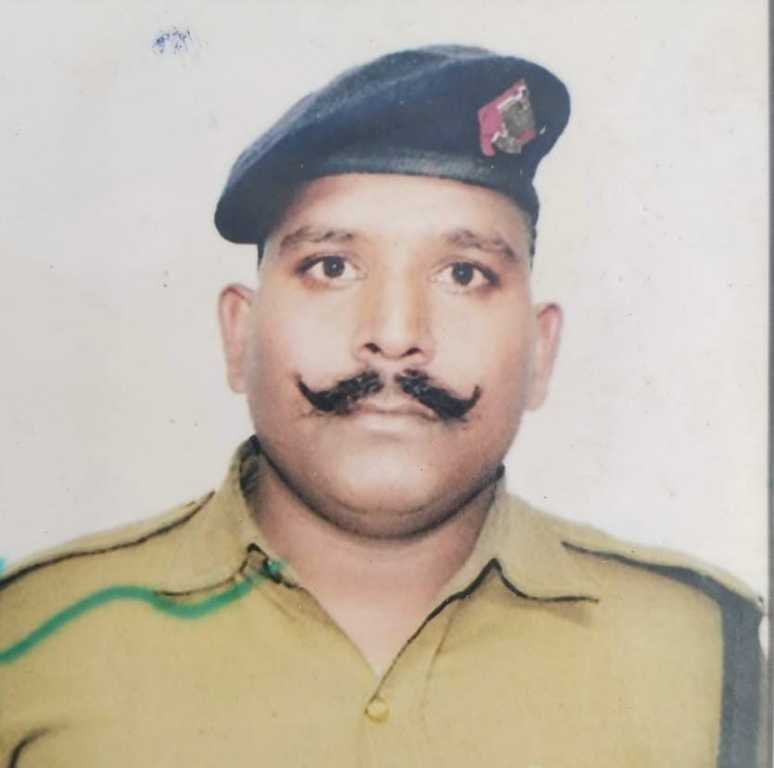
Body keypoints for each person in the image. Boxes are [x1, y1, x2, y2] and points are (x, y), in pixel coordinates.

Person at [0, 45, 765, 767]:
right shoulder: (32, 638)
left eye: (463, 275)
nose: (395, 335)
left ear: (541, 351)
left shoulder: (704, 653)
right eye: (332, 267)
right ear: (239, 334)